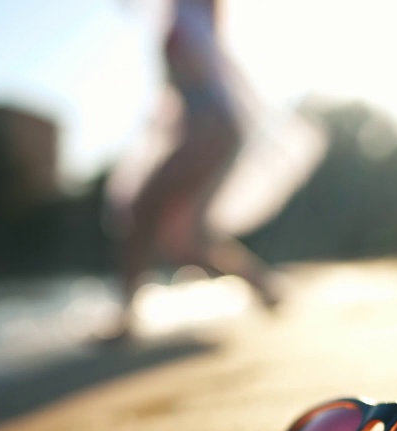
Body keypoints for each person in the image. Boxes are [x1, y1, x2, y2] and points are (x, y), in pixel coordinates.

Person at [106, 0, 280, 338]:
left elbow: (201, 81)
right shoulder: (180, 16)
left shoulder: (190, 15)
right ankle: (264, 286)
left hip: (210, 127)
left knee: (142, 211)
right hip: (208, 128)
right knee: (185, 243)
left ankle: (126, 321)